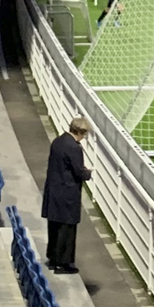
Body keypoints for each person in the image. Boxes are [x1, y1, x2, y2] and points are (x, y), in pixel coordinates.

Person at [41, 115, 94, 272]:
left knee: (54, 226)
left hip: (54, 190)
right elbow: (78, 172)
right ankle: (63, 263)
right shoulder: (74, 147)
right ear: (80, 132)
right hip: (67, 194)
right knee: (67, 229)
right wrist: (88, 173)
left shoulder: (58, 141)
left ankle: (53, 258)